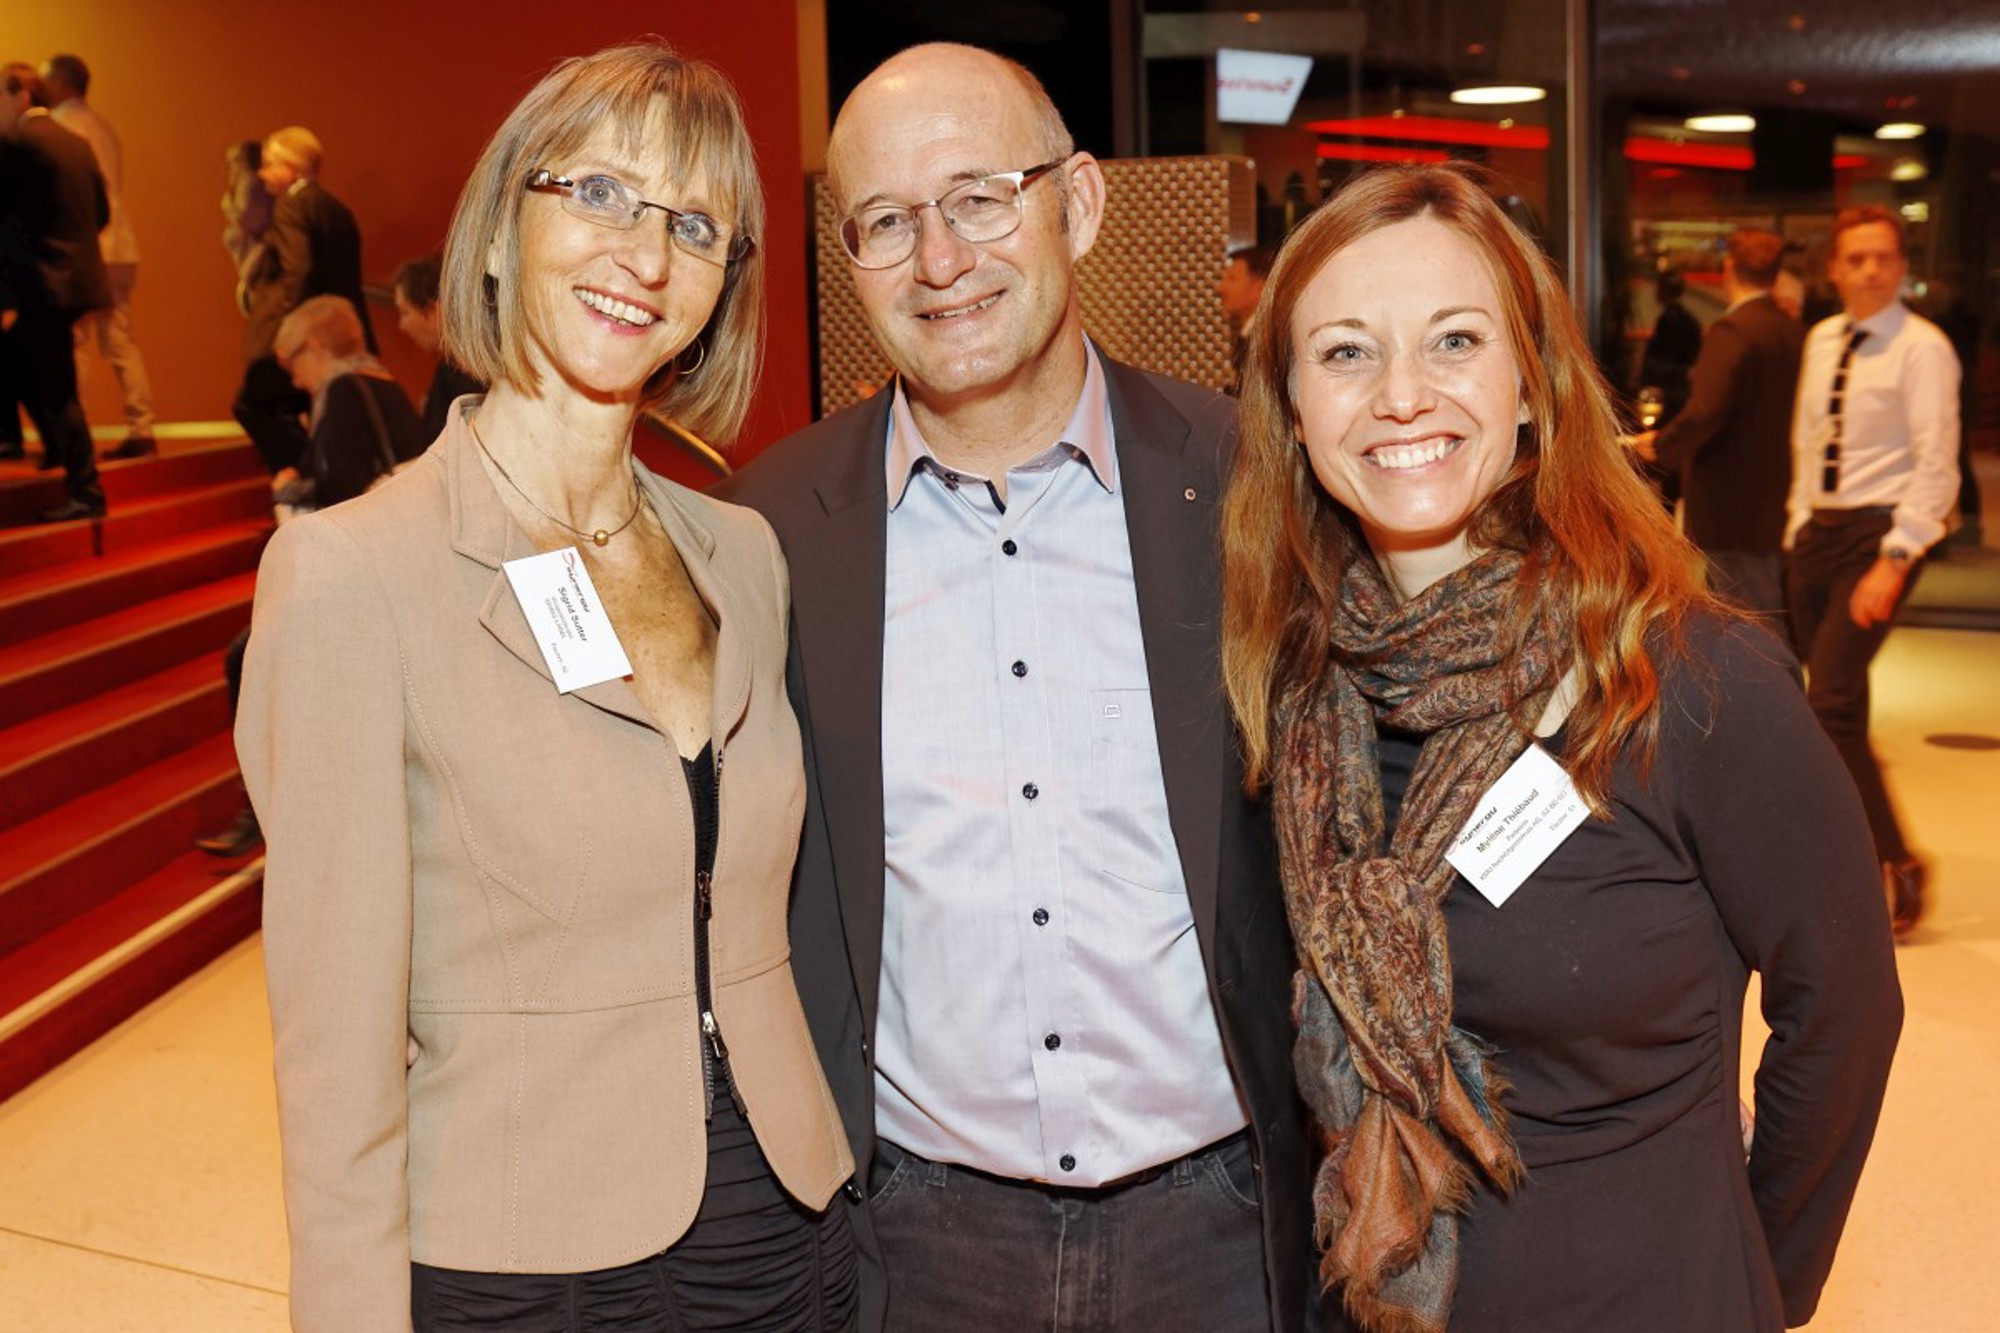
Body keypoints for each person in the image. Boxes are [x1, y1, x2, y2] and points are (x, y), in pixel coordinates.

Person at [236, 42, 856, 1332]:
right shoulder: (351, 574)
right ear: (502, 220)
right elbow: (334, 1048)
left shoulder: (742, 554)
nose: (646, 255)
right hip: (526, 1259)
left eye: (695, 225)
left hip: (785, 1224)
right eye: (601, 193)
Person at [1220, 163, 1900, 1333]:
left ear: (1531, 383)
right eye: (1343, 353)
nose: (1399, 395)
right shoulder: (1286, 695)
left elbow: (1841, 1006)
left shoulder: (1687, 675)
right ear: (1289, 410)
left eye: (1452, 340)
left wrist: (1758, 1276)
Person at [724, 42, 1308, 1333]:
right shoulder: (769, 528)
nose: (940, 260)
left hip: (1218, 1229)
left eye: (980, 198)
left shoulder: (1250, 484)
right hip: (917, 1237)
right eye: (887, 222)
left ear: (1078, 203)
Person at [1785, 204, 1961, 937]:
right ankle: (1845, 857)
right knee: (1834, 707)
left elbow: (1938, 464)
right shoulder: (1822, 337)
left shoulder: (1924, 348)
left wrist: (1896, 556)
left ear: (1902, 266)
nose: (1870, 270)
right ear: (1834, 269)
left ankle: (1897, 860)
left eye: (1883, 257)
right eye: (1855, 258)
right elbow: (1807, 438)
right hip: (1817, 533)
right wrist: (1797, 524)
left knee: (1829, 702)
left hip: (1879, 535)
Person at [1632, 228, 1804, 623]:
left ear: (1729, 269)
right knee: (1770, 610)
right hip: (1780, 494)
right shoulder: (1794, 330)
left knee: (1744, 618)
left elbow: (1705, 411)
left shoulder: (1734, 331)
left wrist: (1661, 446)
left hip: (1732, 502)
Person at [0, 62, 110, 520]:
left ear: (21, 96)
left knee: (57, 388)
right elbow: (100, 213)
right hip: (78, 279)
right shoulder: (76, 142)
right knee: (23, 363)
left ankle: (86, 490)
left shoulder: (17, 142)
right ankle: (57, 453)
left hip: (42, 284)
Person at [233, 124, 372, 481]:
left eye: (269, 164)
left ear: (291, 167)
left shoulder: (290, 207)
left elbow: (298, 272)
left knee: (252, 404)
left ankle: (305, 475)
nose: (261, 174)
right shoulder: (337, 209)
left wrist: (286, 334)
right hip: (347, 338)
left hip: (308, 336)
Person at [44, 53, 156, 460]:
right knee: (120, 340)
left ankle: (75, 433)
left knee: (73, 340)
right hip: (122, 246)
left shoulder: (61, 128)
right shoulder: (103, 126)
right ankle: (142, 426)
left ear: (61, 83)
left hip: (86, 248)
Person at [391, 252, 484, 442]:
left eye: (405, 312)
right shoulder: (459, 366)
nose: (402, 325)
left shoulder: (458, 370)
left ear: (434, 307)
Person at [1217, 241, 1271, 395]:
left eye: (1232, 279)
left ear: (1259, 287)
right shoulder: (1250, 335)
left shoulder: (1265, 341)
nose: (1221, 288)